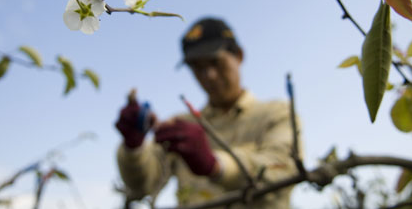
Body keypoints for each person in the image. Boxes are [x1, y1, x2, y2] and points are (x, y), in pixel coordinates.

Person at [115, 17, 301, 208]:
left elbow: (283, 173)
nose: (209, 75)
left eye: (215, 62)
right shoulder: (182, 126)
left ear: (239, 55)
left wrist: (215, 165)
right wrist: (134, 147)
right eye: (197, 67)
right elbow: (142, 186)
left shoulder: (276, 113)